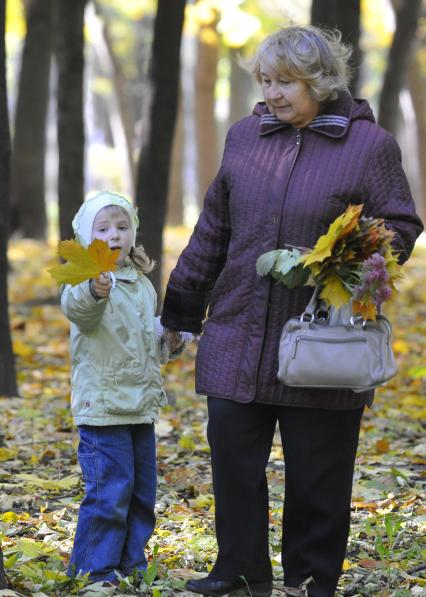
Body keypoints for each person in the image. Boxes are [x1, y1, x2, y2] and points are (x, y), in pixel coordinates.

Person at [161, 26, 424, 597]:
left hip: (325, 338)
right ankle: (239, 571)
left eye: (286, 83)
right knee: (233, 460)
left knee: (318, 474)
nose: (273, 93)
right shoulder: (244, 138)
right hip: (237, 327)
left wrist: (342, 258)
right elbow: (213, 230)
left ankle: (311, 580)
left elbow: (400, 225)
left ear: (320, 82)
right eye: (266, 81)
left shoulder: (369, 145)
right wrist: (180, 311)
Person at [62, 191, 176, 585]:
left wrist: (169, 340)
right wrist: (95, 289)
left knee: (142, 494)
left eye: (122, 226)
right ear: (86, 238)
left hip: (140, 407)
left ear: (133, 234)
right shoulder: (85, 280)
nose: (115, 234)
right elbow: (78, 309)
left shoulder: (141, 284)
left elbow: (147, 344)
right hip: (103, 408)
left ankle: (132, 564)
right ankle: (94, 571)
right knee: (109, 494)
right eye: (104, 228)